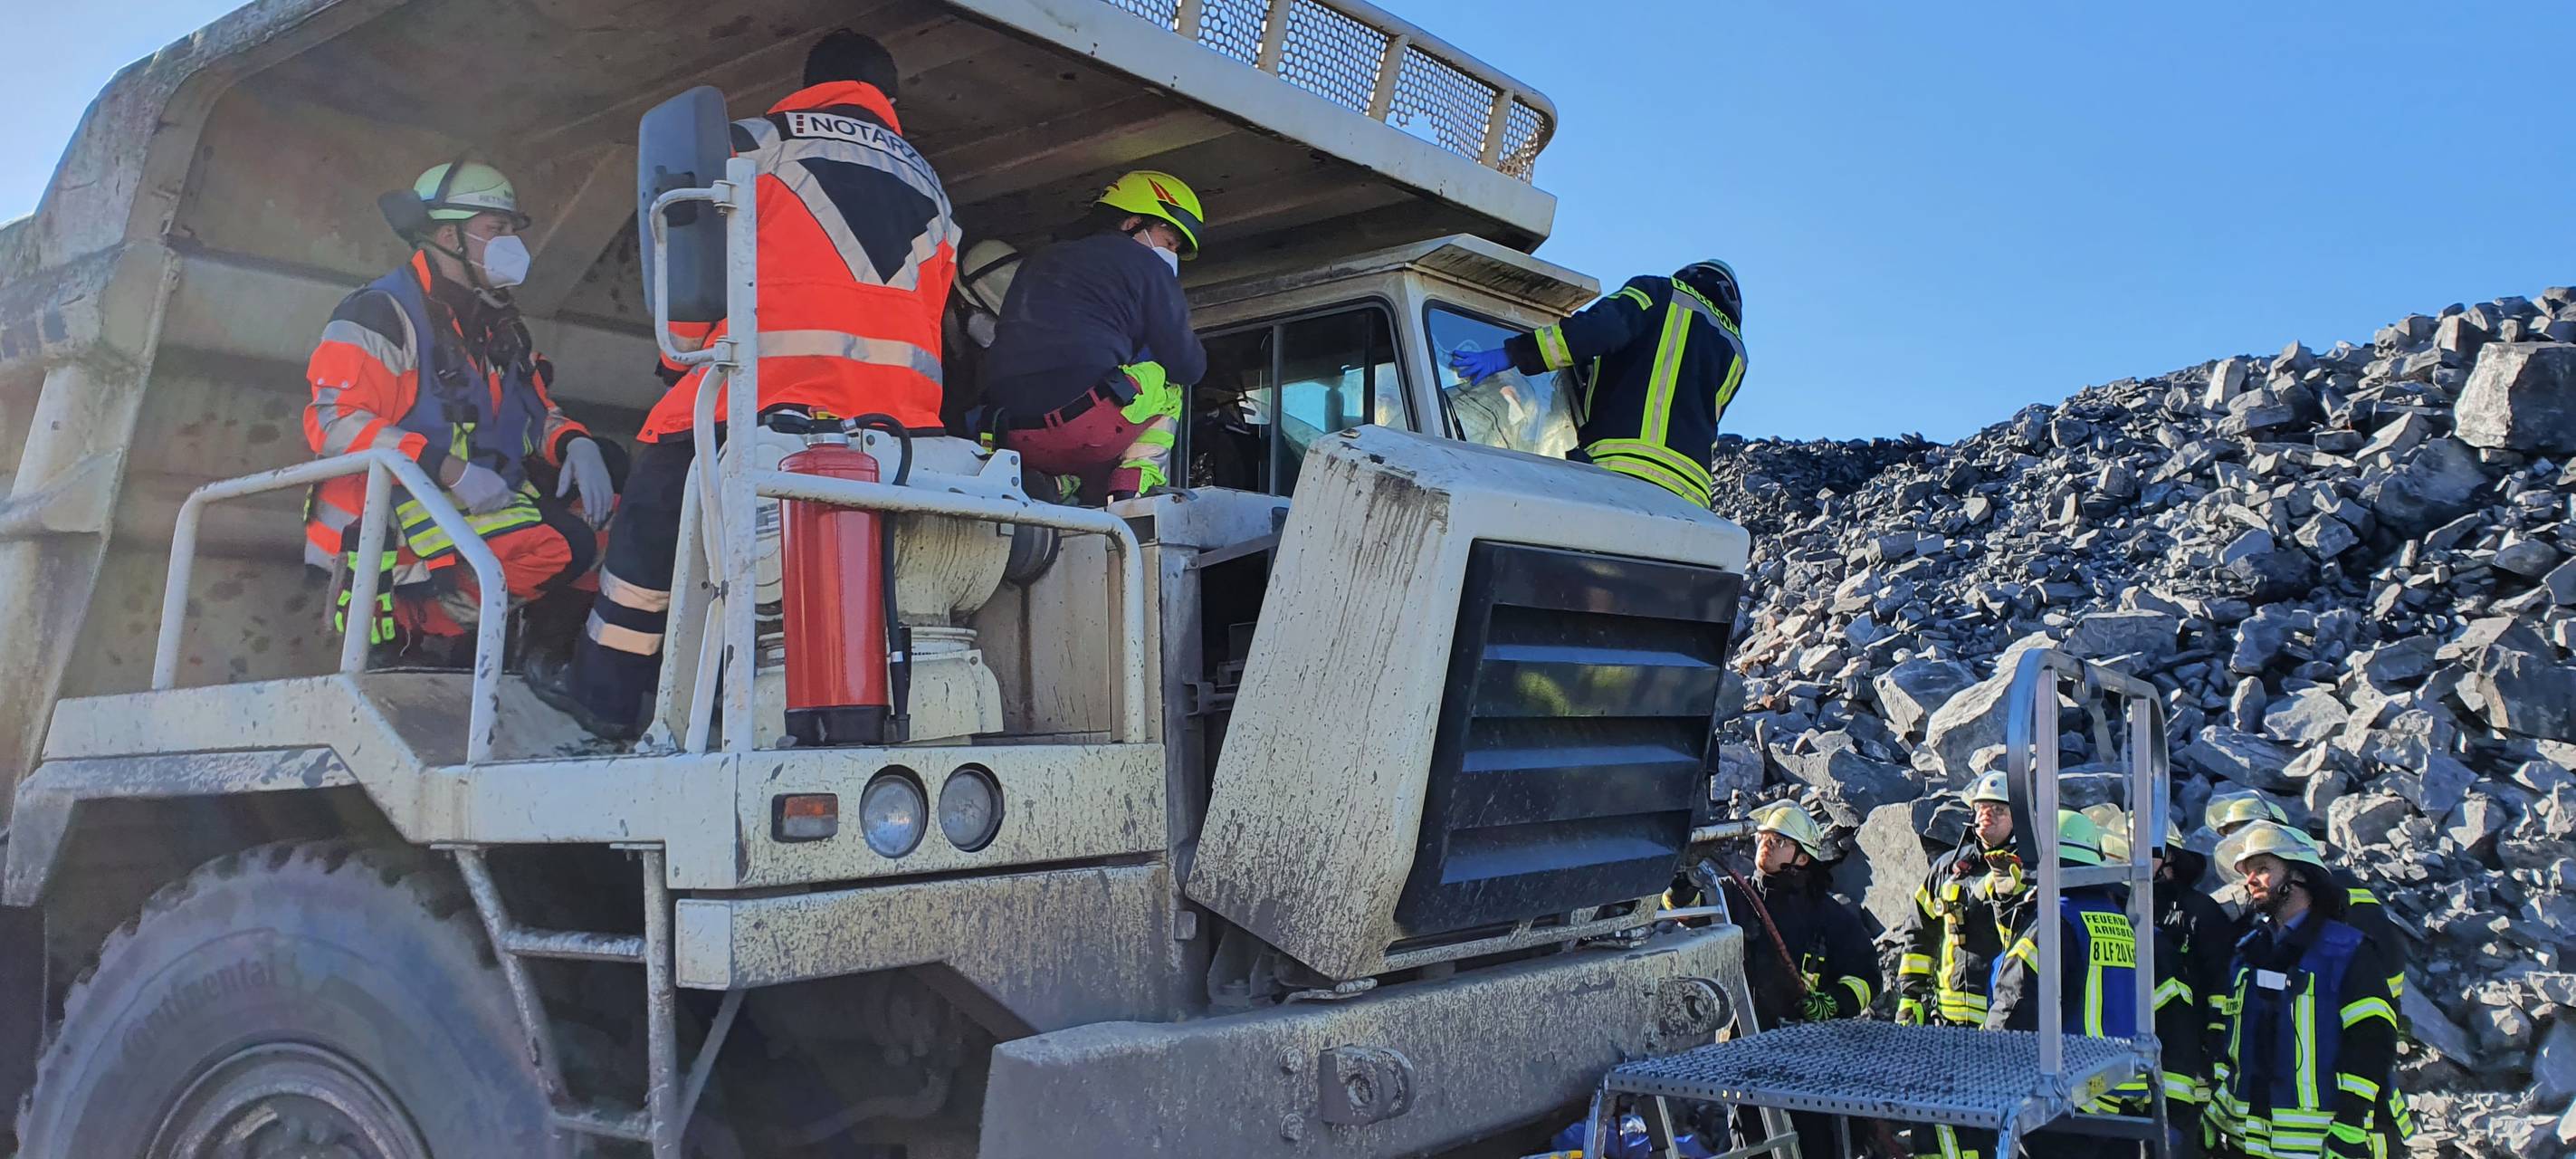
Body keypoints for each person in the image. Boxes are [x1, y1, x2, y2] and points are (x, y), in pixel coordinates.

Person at [531, 29, 959, 740]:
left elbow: (692, 274)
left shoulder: (751, 145)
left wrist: (686, 358)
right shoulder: (932, 188)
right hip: (902, 437)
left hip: (762, 406)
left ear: (812, 82)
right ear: (888, 100)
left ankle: (604, 698)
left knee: (651, 519)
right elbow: (931, 312)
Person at [303, 159, 619, 661]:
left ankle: (545, 657)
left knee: (619, 523)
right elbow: (335, 423)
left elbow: (535, 413)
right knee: (560, 547)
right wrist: (449, 469)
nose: (511, 243)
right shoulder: (380, 311)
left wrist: (574, 442)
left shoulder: (497, 323)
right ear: (449, 236)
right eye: (496, 229)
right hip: (390, 517)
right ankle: (410, 631)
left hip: (472, 499)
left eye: (512, 230)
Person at [974, 171, 1208, 503]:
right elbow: (1188, 366)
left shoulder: (1041, 259)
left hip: (1006, 430)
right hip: (1082, 423)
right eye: (1169, 241)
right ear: (1132, 222)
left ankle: (1058, 486)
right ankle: (1132, 492)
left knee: (1104, 411)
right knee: (1167, 385)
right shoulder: (1148, 267)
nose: (1170, 253)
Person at [1986, 810, 2205, 1159]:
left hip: (2061, 1108)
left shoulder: (2054, 923)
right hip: (2121, 1109)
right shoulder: (2127, 924)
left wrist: (1988, 1082)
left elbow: (2015, 1004)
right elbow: (2171, 1016)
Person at [2201, 790, 2416, 1144]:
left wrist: (2351, 1126)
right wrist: (2215, 1115)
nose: (2249, 880)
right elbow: (2237, 1048)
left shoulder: (2346, 948)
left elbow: (2371, 1039)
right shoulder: (2249, 953)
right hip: (2253, 1141)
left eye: (2262, 868)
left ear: (2298, 874)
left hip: (2330, 1138)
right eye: (2246, 871)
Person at [1445, 260, 1746, 508]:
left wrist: (1514, 353)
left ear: (1689, 277)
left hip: (1622, 473)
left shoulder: (1658, 292)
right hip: (1691, 500)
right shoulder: (1736, 354)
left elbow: (1596, 331)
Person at [1717, 800, 1875, 1158]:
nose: (1766, 845)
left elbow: (1866, 977)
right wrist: (1681, 887)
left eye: (1778, 840)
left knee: (1815, 1144)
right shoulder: (1733, 896)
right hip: (1745, 1056)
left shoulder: (1830, 916)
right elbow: (1690, 909)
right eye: (1765, 838)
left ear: (1802, 858)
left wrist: (1833, 1002)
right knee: (1751, 1145)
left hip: (1809, 1060)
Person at [1891, 768, 2021, 1159]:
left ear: (2021, 817)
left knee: (1986, 1127)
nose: (1986, 816)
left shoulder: (2032, 868)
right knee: (1932, 1123)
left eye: (1998, 810)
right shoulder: (1950, 867)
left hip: (1999, 1028)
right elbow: (1919, 932)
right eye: (1982, 807)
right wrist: (1911, 997)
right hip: (1944, 1022)